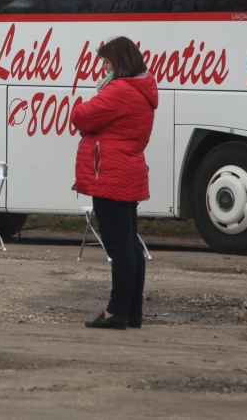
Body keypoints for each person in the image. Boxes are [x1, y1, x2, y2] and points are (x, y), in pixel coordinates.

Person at [71, 36, 158, 330]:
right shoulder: (140, 90)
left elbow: (81, 117)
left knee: (119, 246)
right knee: (130, 243)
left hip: (110, 174)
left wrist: (94, 95)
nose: (103, 67)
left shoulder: (120, 90)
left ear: (119, 62)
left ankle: (116, 311)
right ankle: (132, 311)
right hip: (126, 171)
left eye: (106, 62)